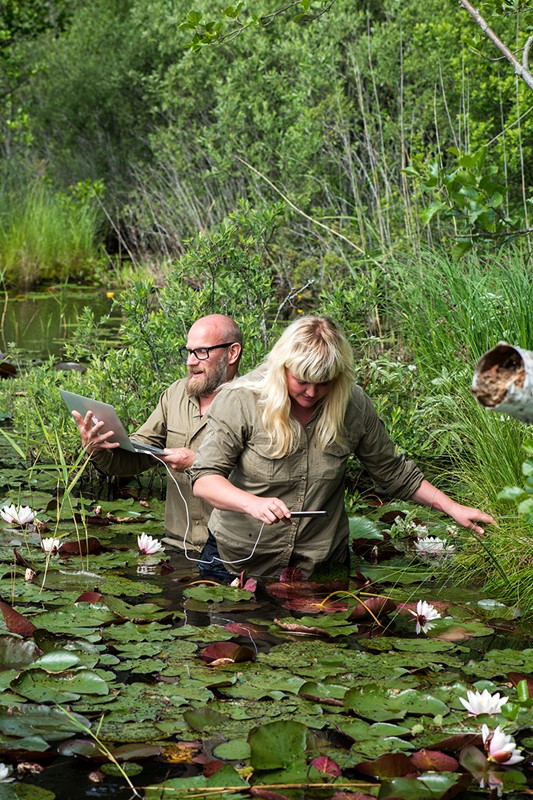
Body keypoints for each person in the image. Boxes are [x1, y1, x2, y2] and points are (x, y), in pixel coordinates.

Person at [190, 315, 495, 581]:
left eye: (323, 383)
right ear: (283, 369)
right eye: (302, 381)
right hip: (236, 561)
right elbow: (205, 480)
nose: (312, 392)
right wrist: (251, 504)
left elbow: (394, 473)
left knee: (322, 646)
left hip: (321, 563)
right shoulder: (241, 400)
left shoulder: (353, 404)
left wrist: (453, 508)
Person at [71, 314, 243, 552]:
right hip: (176, 547)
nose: (191, 362)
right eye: (189, 351)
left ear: (232, 353)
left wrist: (198, 464)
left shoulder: (253, 404)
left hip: (232, 551)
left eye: (201, 352)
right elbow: (138, 456)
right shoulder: (175, 395)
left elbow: (263, 481)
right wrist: (98, 449)